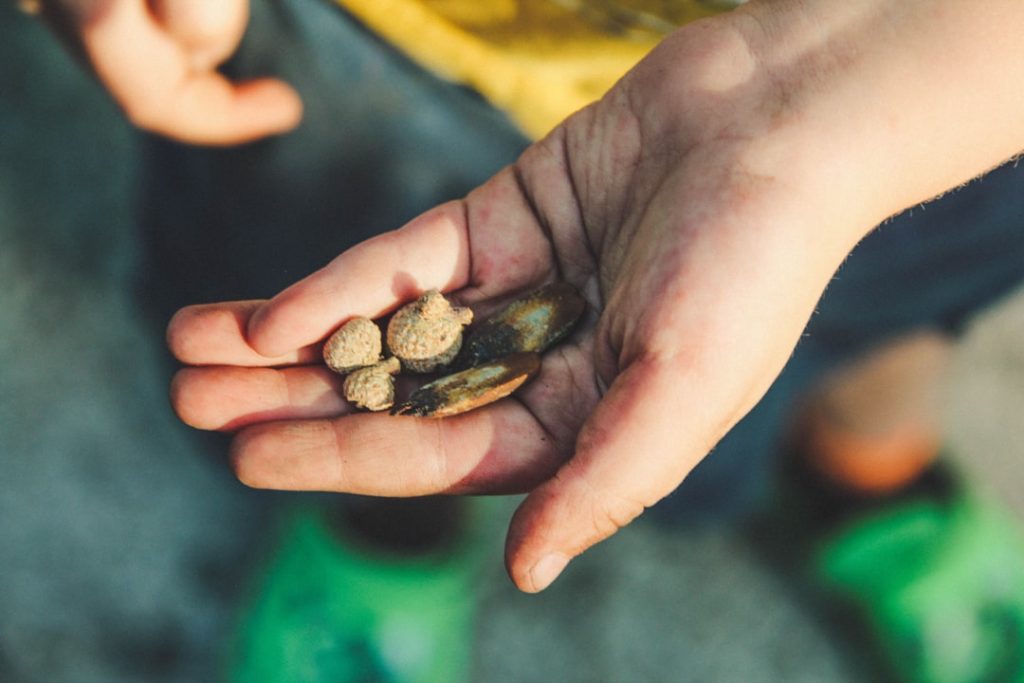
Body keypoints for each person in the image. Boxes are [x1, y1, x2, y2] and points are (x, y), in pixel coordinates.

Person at [38, 0, 1024, 680]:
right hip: (380, 49)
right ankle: (385, 542)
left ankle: (868, 474)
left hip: (935, 73)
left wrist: (836, 86)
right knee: (315, 313)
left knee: (894, 287)